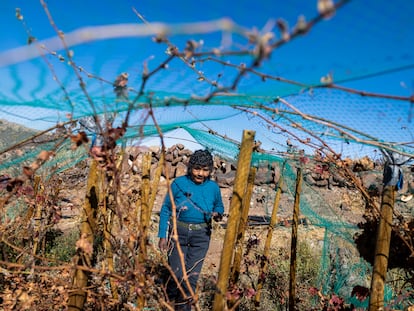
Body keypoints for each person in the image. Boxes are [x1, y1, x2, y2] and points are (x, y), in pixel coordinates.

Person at [158, 149, 224, 311]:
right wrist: (162, 235)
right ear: (190, 167)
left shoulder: (213, 188)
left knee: (192, 277)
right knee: (176, 274)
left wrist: (218, 213)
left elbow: (219, 205)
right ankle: (170, 303)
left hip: (201, 237)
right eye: (197, 168)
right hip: (177, 234)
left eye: (205, 169)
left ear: (210, 170)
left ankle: (184, 308)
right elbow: (166, 209)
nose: (201, 173)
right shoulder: (179, 184)